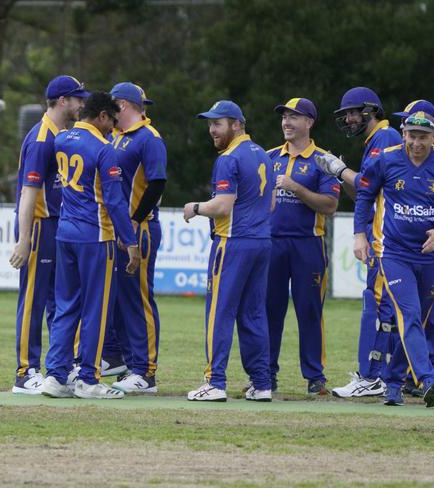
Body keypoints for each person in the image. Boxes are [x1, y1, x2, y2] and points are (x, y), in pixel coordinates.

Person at [40, 92, 140, 400]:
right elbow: (114, 200)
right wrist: (130, 241)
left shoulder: (62, 139)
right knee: (97, 309)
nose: (113, 127)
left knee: (66, 306)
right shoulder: (103, 148)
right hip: (96, 237)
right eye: (111, 120)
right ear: (101, 117)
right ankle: (87, 378)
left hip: (65, 234)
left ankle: (56, 376)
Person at [315, 87, 402, 399]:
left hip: (387, 239)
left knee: (376, 306)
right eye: (346, 114)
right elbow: (366, 193)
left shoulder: (385, 138)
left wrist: (340, 170)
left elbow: (368, 185)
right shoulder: (376, 140)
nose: (349, 118)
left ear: (371, 110)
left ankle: (371, 375)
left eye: (354, 112)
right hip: (387, 236)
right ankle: (389, 376)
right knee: (386, 309)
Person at [184, 100, 273, 402]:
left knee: (219, 313)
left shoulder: (228, 158)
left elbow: (222, 207)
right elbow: (270, 204)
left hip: (232, 243)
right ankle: (261, 383)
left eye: (218, 123)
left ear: (237, 125)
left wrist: (195, 207)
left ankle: (215, 381)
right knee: (253, 314)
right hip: (262, 242)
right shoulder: (263, 154)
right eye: (210, 123)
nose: (212, 129)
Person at [9, 75, 89, 394]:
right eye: (77, 98)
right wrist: (24, 238)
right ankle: (25, 372)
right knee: (33, 299)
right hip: (40, 224)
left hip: (57, 224)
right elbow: (29, 192)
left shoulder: (61, 135)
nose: (82, 104)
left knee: (59, 300)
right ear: (61, 101)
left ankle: (61, 367)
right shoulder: (42, 138)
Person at [353, 110, 434, 407]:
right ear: (403, 134)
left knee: (416, 322)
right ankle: (428, 380)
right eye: (412, 135)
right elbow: (364, 195)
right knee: (409, 313)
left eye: (423, 137)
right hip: (394, 254)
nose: (416, 142)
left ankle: (393, 382)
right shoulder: (386, 159)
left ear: (433, 137)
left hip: (429, 257)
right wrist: (359, 234)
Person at [96, 82, 167, 394]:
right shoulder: (114, 137)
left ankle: (146, 372)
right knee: (119, 300)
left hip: (140, 230)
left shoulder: (149, 138)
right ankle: (124, 361)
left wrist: (135, 222)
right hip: (117, 232)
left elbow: (157, 184)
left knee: (139, 300)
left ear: (121, 105)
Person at [266, 98, 339, 395]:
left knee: (309, 311)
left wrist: (295, 187)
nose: (286, 122)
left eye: (294, 117)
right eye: (284, 116)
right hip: (271, 245)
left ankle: (315, 377)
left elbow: (331, 205)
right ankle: (264, 375)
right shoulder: (268, 156)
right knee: (269, 310)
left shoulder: (324, 159)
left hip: (308, 245)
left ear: (309, 123)